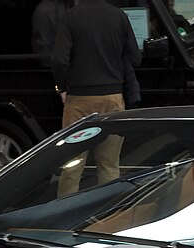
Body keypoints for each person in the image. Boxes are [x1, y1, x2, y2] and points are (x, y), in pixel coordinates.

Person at [51, 0, 141, 196]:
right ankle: (109, 208)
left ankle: (65, 210)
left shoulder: (70, 17)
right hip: (113, 98)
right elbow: (135, 57)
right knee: (109, 164)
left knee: (72, 165)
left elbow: (59, 60)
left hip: (79, 99)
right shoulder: (119, 16)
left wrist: (62, 87)